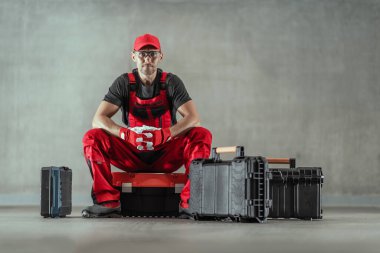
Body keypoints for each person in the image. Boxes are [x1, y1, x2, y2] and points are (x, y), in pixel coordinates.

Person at [81, 34, 212, 218]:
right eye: (142, 54)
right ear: (133, 56)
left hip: (165, 155)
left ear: (160, 56)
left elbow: (194, 118)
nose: (148, 58)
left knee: (202, 134)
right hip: (132, 155)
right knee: (92, 138)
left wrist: (166, 134)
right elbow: (98, 119)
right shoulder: (123, 83)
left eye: (152, 53)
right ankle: (107, 202)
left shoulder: (171, 82)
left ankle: (191, 203)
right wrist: (125, 134)